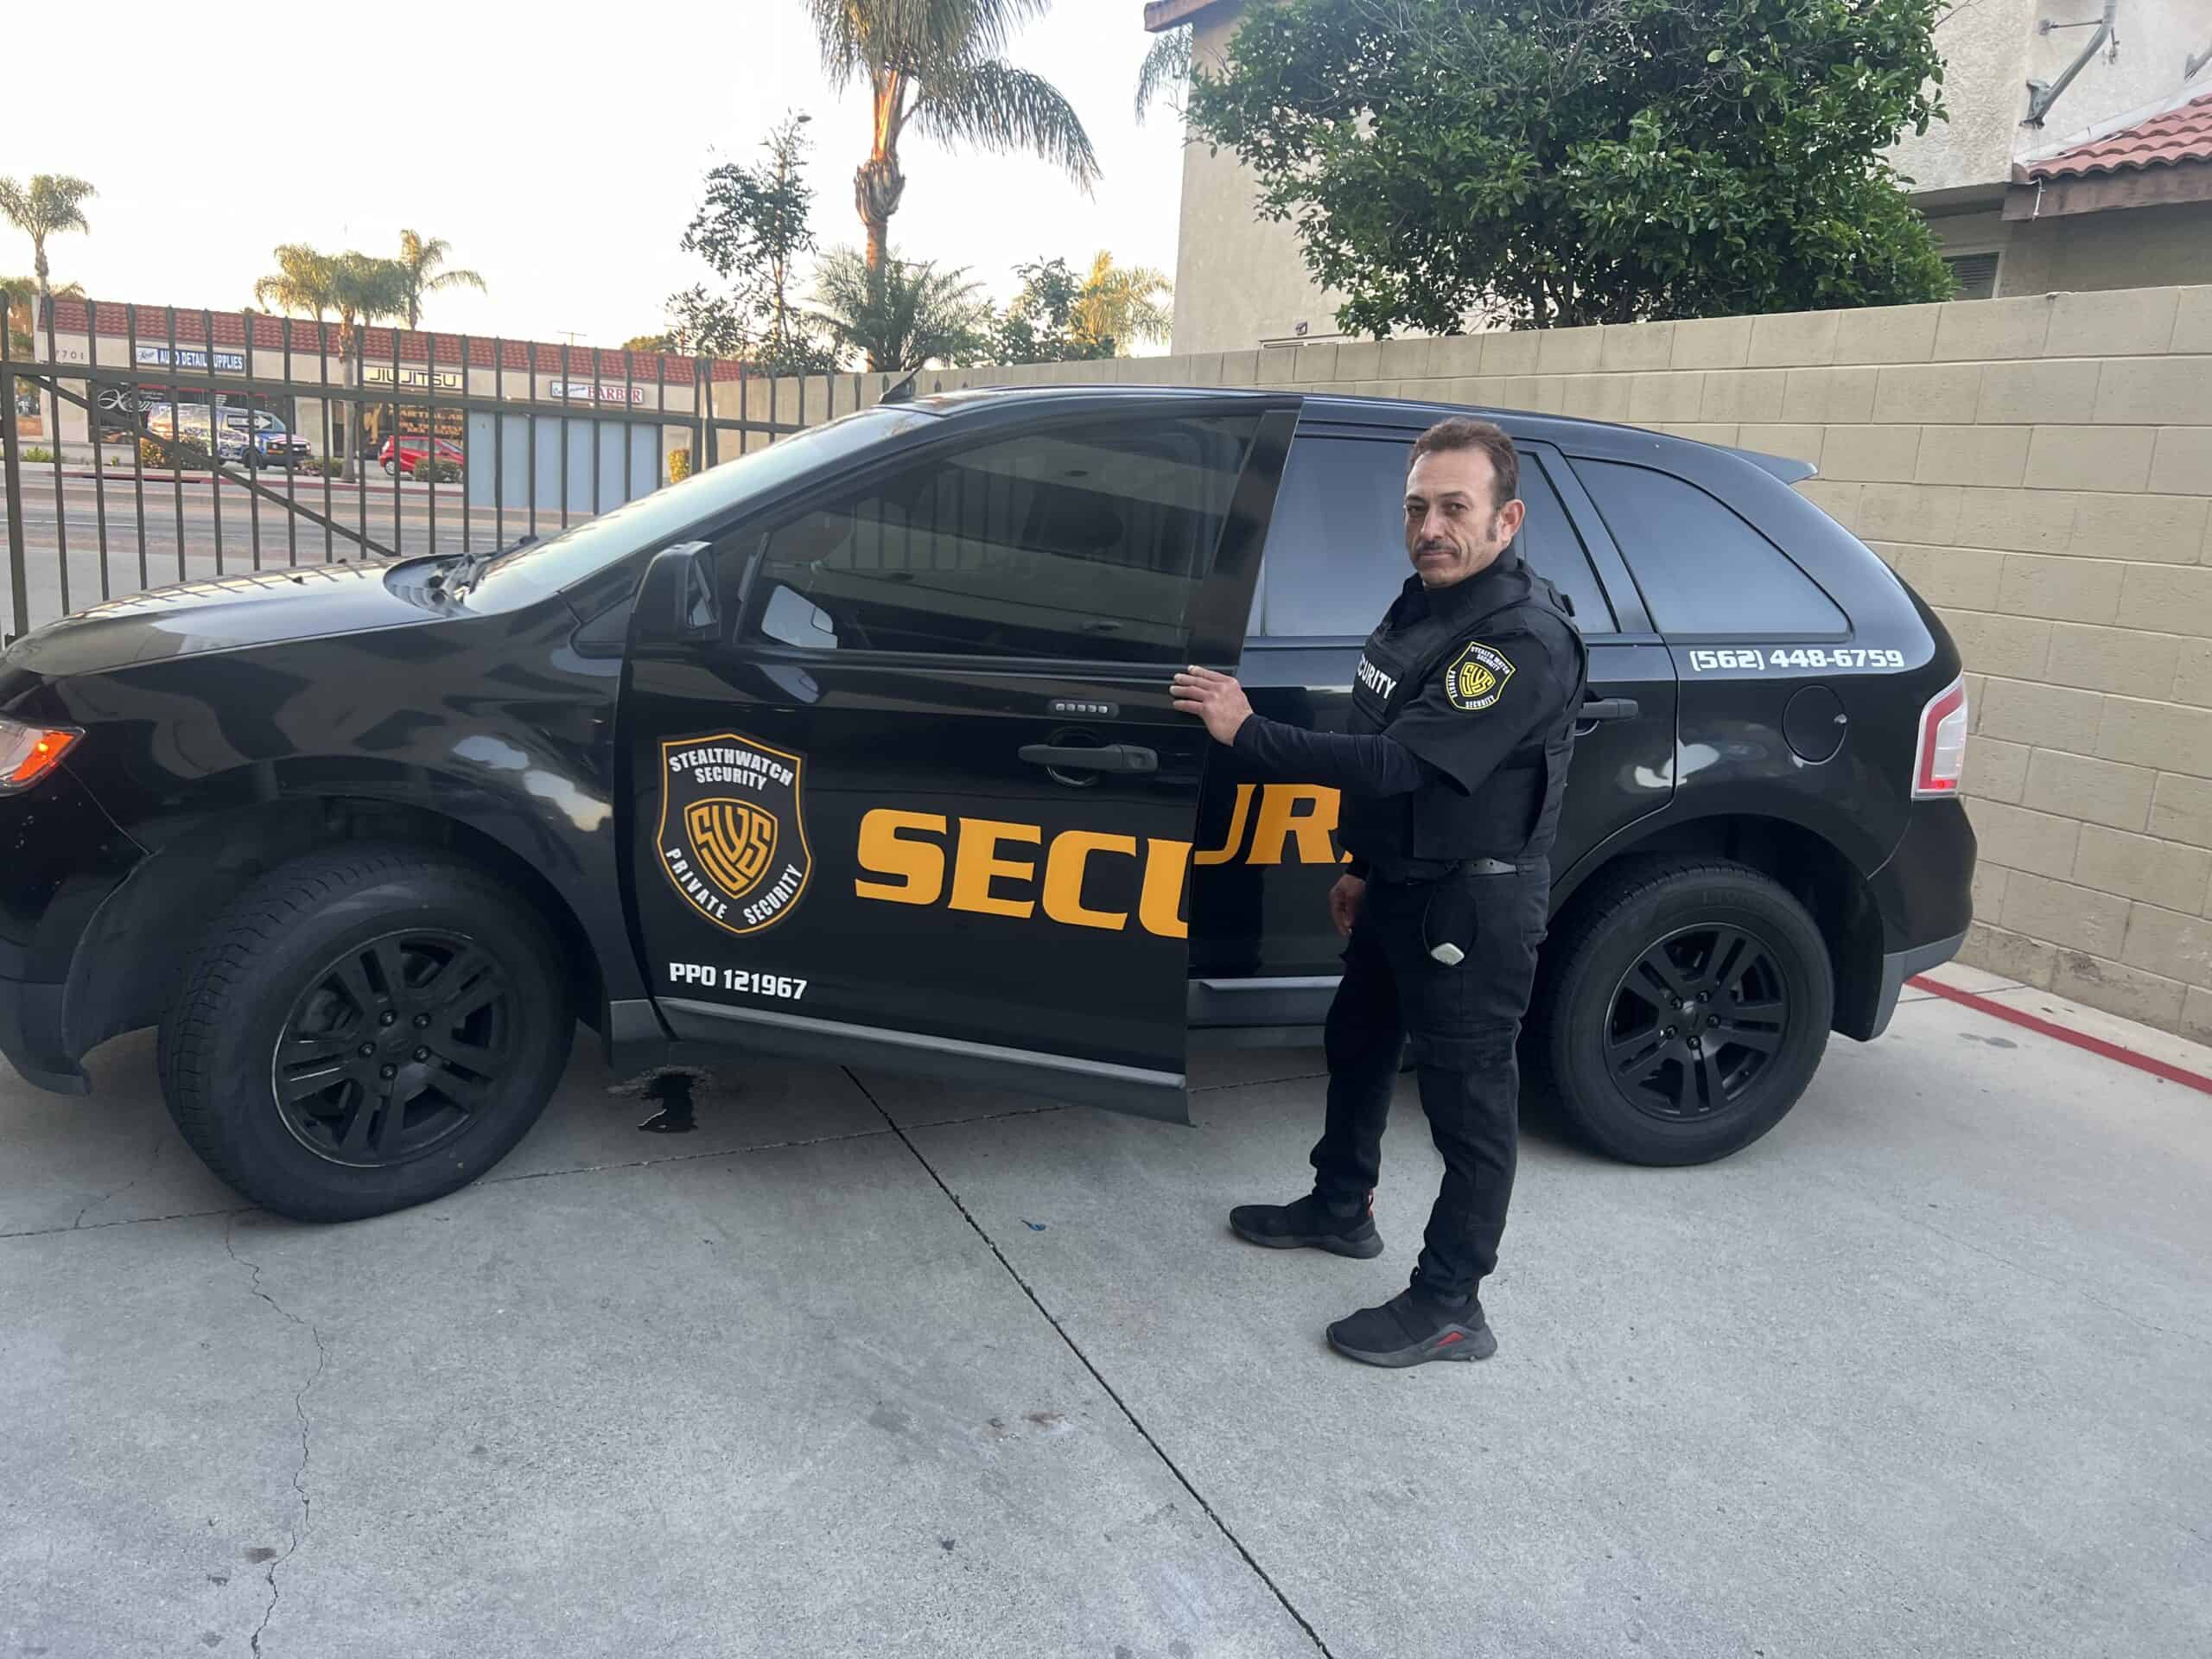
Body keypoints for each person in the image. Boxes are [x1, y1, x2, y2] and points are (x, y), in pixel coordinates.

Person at [1171, 416, 1587, 1369]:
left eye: (1454, 508)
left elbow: (1399, 761)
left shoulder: (1519, 641)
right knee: (1356, 1044)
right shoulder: (1426, 603)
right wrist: (1358, 863)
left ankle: (1451, 1303)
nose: (1430, 527)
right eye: (1416, 508)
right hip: (1400, 884)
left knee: (1469, 1107)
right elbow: (1390, 733)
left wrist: (1246, 733)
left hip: (1471, 909)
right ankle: (1340, 1204)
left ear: (1506, 518)